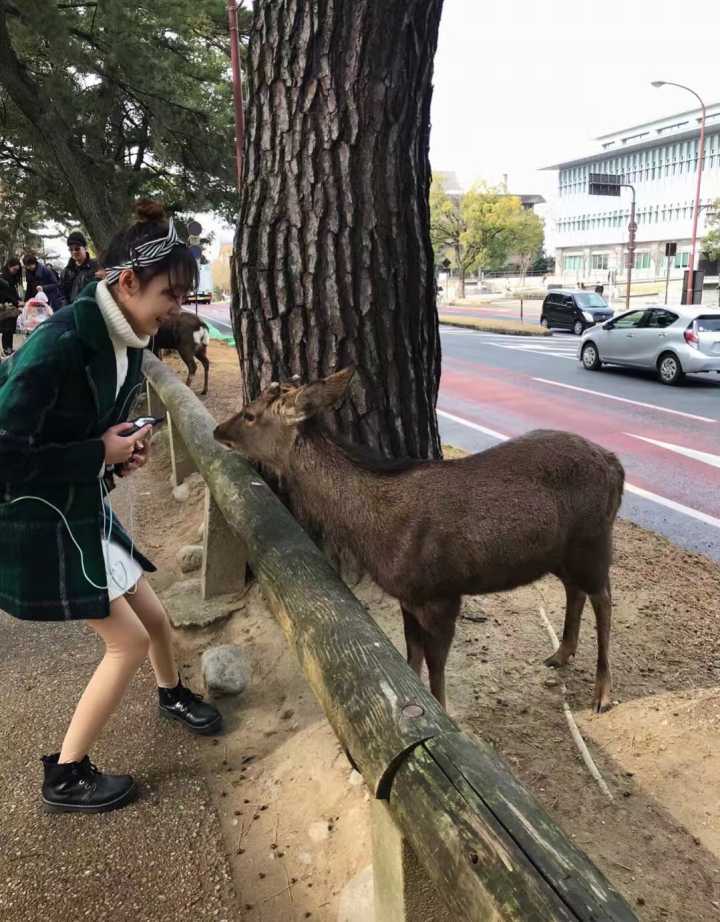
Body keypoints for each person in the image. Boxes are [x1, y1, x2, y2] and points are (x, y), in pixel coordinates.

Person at [0, 199, 221, 814]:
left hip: (78, 504)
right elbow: (7, 453)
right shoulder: (59, 342)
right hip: (36, 515)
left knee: (156, 621)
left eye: (184, 296)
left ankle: (171, 693)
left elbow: (89, 434)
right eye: (170, 295)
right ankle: (65, 775)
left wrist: (118, 455)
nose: (177, 309)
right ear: (127, 281)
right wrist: (95, 452)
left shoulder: (127, 336)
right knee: (125, 642)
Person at [62, 230, 100, 303]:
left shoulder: (97, 266)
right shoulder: (66, 272)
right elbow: (62, 295)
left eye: (77, 248)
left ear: (85, 248)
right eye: (71, 249)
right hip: (73, 309)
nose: (74, 252)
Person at [0, 257, 22, 355]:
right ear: (9, 267)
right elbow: (6, 293)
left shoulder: (12, 278)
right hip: (5, 307)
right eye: (14, 269)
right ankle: (7, 349)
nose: (15, 272)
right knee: (7, 328)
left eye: (17, 270)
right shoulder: (3, 278)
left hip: (11, 307)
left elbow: (12, 293)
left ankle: (8, 348)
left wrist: (17, 300)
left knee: (10, 329)